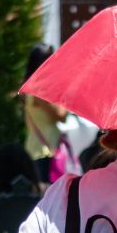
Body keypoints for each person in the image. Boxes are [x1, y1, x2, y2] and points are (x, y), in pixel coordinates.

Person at [21, 44, 70, 182]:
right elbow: (61, 116)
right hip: (45, 152)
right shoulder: (40, 90)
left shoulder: (29, 86)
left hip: (36, 148)